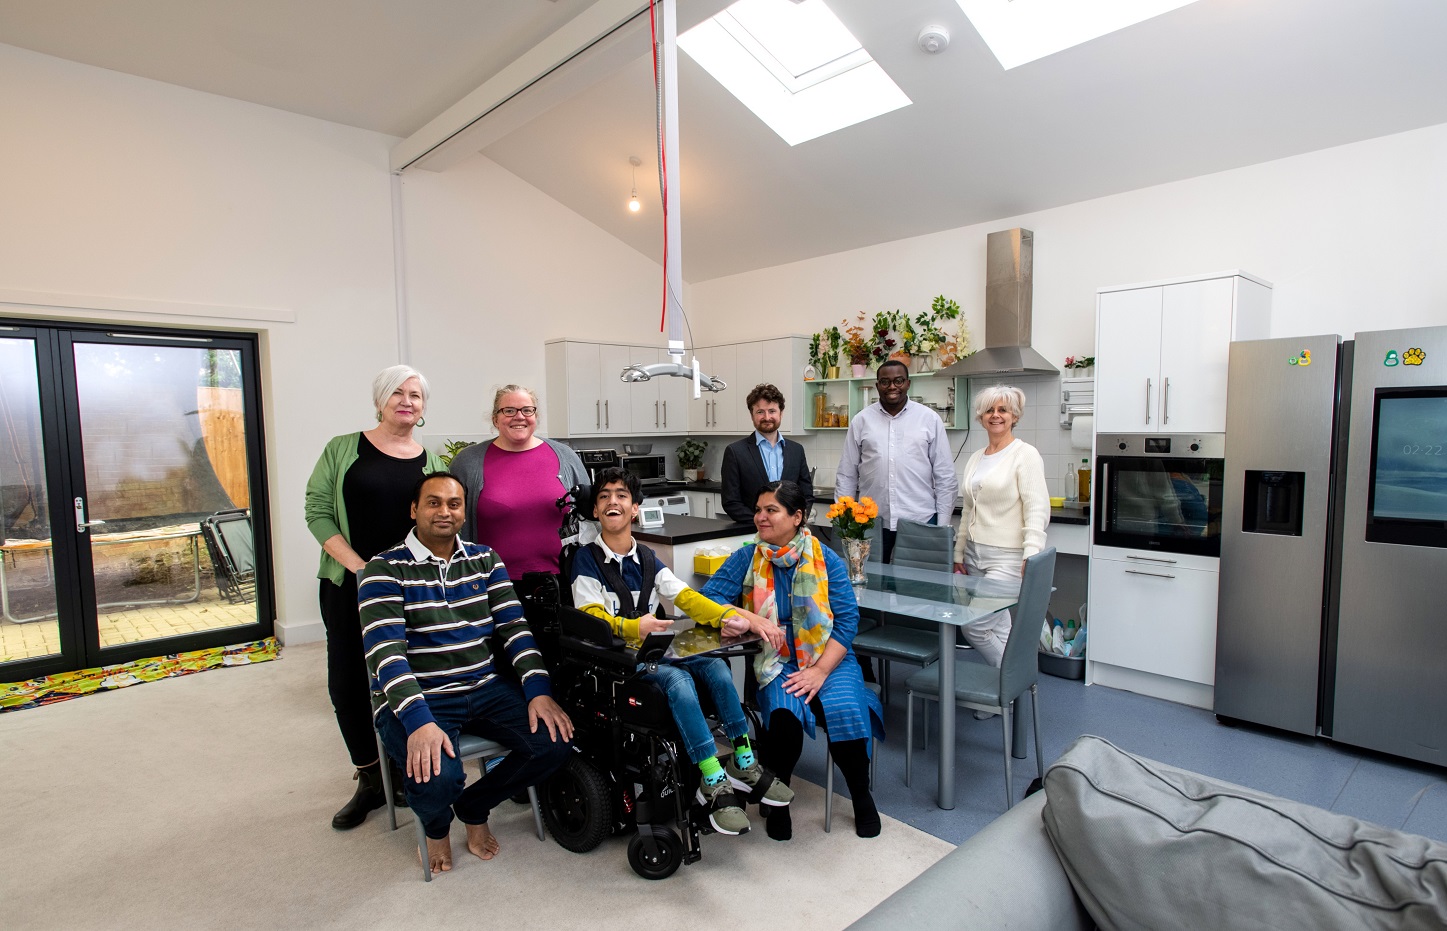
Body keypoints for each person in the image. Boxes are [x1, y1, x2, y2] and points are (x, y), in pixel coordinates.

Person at [360, 472, 573, 873]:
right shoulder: (383, 570)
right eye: (434, 502)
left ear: (463, 511)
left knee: (556, 741)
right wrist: (419, 722)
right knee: (437, 776)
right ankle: (437, 827)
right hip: (418, 697)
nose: (445, 511)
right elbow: (386, 655)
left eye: (454, 504)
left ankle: (475, 806)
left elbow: (514, 629)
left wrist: (538, 690)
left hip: (483, 686)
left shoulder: (484, 559)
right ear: (414, 510)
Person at [569, 467, 793, 835]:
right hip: (617, 660)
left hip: (653, 650)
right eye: (605, 496)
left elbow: (686, 597)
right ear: (595, 511)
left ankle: (743, 758)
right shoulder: (585, 560)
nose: (613, 501)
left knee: (716, 668)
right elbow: (590, 616)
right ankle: (710, 776)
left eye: (622, 495)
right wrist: (631, 627)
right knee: (679, 682)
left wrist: (727, 617)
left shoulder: (647, 558)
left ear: (635, 509)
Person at [701, 480, 885, 841]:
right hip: (776, 657)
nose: (760, 517)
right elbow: (708, 600)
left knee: (847, 710)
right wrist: (753, 619)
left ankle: (862, 798)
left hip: (826, 655)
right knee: (783, 719)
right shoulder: (748, 556)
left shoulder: (825, 557)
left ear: (796, 517)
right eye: (758, 510)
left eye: (771, 510)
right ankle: (777, 798)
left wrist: (818, 671)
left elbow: (847, 621)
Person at [304, 364, 444, 830]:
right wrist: (362, 568)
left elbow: (440, 520)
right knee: (347, 679)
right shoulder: (343, 449)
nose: (407, 401)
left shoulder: (433, 458)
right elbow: (318, 512)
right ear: (380, 400)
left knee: (407, 676)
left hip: (412, 587)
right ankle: (368, 778)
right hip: (351, 583)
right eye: (398, 393)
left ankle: (406, 769)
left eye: (416, 395)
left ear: (423, 406)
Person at [452, 385, 589, 593]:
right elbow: (452, 525)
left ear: (535, 415)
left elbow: (590, 516)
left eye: (527, 410)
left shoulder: (565, 456)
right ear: (495, 419)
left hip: (562, 582)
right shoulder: (467, 462)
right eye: (509, 410)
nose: (519, 417)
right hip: (491, 585)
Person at [952, 385, 1049, 668]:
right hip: (974, 555)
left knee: (974, 627)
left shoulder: (1025, 455)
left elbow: (1037, 508)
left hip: (1007, 558)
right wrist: (959, 553)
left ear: (1014, 416)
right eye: (989, 410)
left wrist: (1031, 554)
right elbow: (968, 508)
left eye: (1003, 410)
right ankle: (1010, 702)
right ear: (981, 416)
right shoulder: (976, 457)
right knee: (1000, 628)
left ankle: (1010, 684)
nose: (996, 415)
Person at [835, 359, 958, 562]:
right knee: (871, 583)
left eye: (899, 381)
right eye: (885, 381)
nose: (892, 386)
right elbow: (847, 475)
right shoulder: (861, 420)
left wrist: (942, 527)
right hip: (870, 524)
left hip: (920, 521)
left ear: (908, 383)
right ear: (877, 386)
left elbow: (945, 477)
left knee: (917, 585)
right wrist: (844, 521)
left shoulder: (929, 419)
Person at [720, 383, 813, 523]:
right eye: (760, 412)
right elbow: (731, 502)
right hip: (752, 533)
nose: (767, 417)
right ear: (752, 415)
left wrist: (795, 521)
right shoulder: (735, 452)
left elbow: (806, 495)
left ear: (781, 413)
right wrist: (763, 522)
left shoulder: (796, 450)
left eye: (772, 411)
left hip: (790, 534)